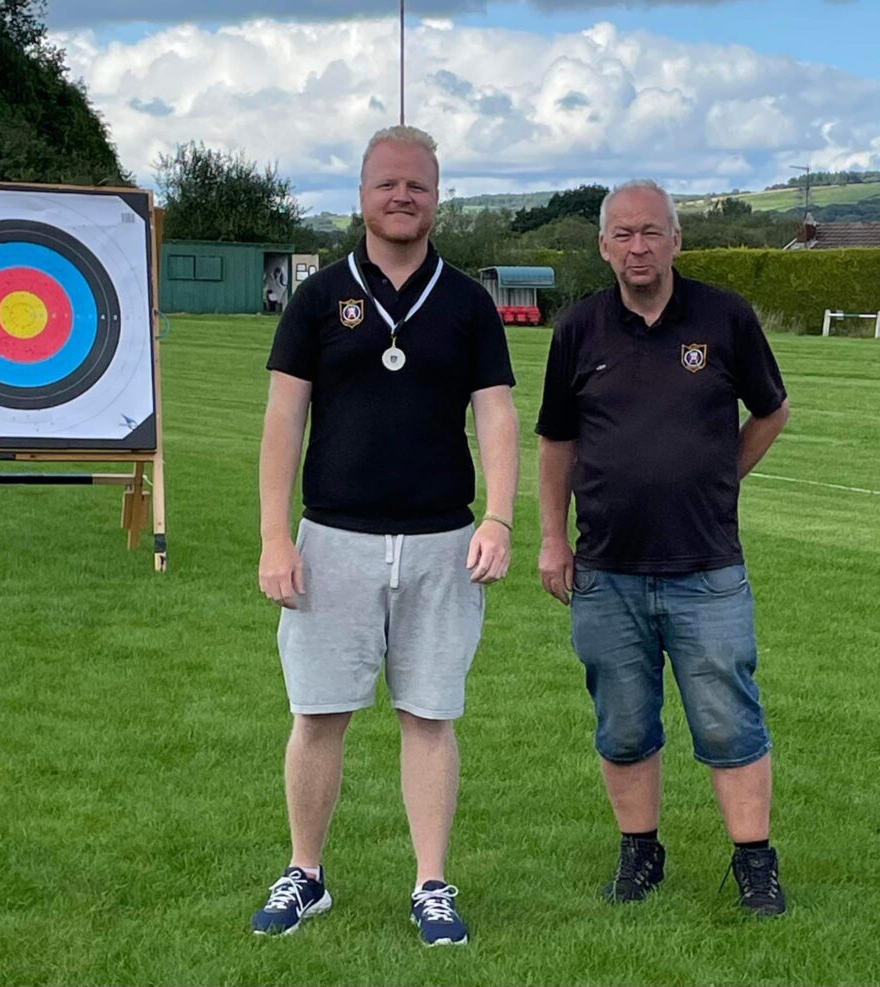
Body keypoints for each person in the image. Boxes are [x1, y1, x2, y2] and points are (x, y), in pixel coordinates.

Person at [252, 125, 519, 945]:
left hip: (443, 540)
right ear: (361, 196)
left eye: (419, 186)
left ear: (438, 197)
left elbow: (498, 414)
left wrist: (502, 517)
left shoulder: (468, 303)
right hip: (333, 537)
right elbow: (283, 416)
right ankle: (307, 872)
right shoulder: (318, 295)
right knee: (319, 713)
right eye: (388, 184)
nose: (403, 197)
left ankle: (431, 883)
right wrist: (274, 534)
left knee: (429, 717)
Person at [536, 180, 790, 917]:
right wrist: (553, 536)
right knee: (622, 721)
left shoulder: (725, 317)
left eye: (652, 232)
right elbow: (557, 441)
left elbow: (772, 411)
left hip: (706, 568)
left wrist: (719, 474)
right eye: (623, 234)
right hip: (605, 568)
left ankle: (755, 863)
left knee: (728, 717)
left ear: (677, 240)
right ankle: (640, 852)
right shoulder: (579, 329)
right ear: (604, 245)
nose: (638, 246)